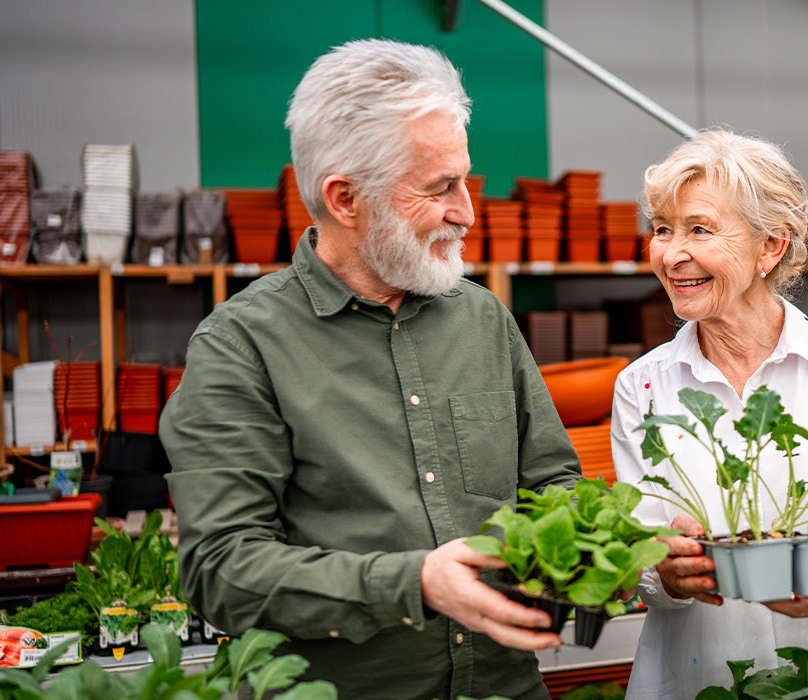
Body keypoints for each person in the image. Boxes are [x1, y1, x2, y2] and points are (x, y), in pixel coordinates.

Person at [160, 39, 582, 699]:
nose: (467, 211)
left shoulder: (482, 319)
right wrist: (411, 584)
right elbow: (223, 570)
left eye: (466, 179)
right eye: (440, 187)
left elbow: (553, 481)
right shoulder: (242, 347)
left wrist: (618, 542)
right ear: (346, 199)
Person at [610, 130, 808, 698]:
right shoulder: (642, 385)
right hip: (696, 673)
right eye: (663, 229)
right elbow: (640, 555)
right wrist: (662, 573)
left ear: (771, 248)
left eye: (700, 229)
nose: (671, 252)